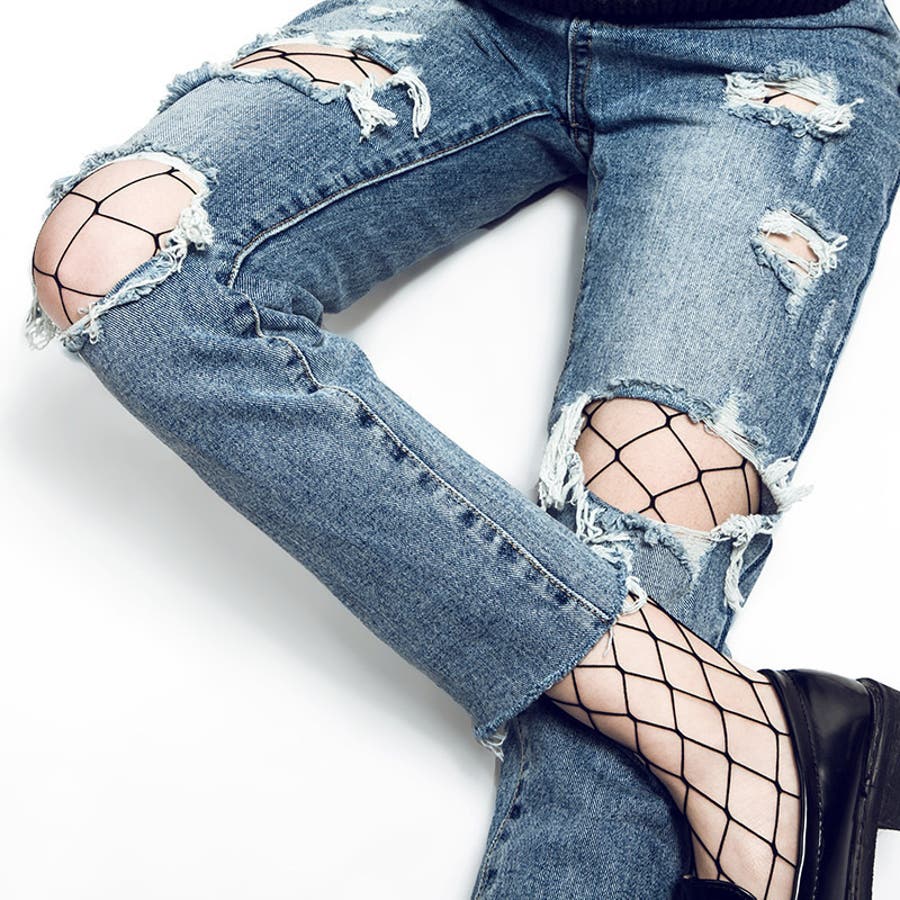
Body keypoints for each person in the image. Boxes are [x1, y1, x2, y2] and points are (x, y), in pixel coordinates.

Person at [25, 0, 900, 896]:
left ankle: (715, 732)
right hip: (471, 18)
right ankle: (739, 731)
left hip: (768, 55)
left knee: (646, 540)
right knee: (111, 256)